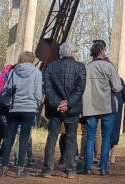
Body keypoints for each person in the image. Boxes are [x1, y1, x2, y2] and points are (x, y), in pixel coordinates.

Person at [40, 41, 85, 179]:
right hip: (72, 110)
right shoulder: (80, 67)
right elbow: (80, 88)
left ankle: (47, 169)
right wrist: (68, 104)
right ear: (72, 53)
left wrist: (57, 103)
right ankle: (70, 170)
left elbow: (47, 89)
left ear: (60, 53)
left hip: (54, 109)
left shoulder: (50, 67)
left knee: (52, 138)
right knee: (71, 139)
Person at [0, 51, 42, 178]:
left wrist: (8, 103)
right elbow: (38, 93)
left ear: (20, 59)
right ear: (32, 60)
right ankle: (20, 170)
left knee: (9, 138)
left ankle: (4, 168)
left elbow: (6, 90)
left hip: (14, 109)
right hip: (29, 109)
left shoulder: (13, 72)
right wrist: (36, 105)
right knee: (24, 139)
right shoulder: (37, 73)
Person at [81, 40, 122, 175]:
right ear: (101, 51)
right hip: (107, 107)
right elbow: (117, 87)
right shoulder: (109, 67)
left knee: (90, 137)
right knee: (106, 138)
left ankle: (87, 167)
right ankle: (103, 168)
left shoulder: (87, 68)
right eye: (104, 50)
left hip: (90, 107)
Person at [0, 64, 14, 165]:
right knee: (0, 131)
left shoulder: (11, 76)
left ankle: (3, 155)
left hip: (7, 105)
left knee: (6, 131)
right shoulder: (1, 76)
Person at [108, 78, 125, 165]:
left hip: (103, 108)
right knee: (115, 132)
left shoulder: (101, 79)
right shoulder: (119, 80)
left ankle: (102, 156)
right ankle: (112, 157)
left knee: (103, 133)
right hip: (116, 108)